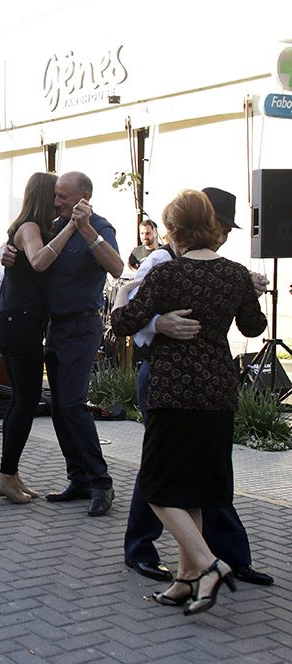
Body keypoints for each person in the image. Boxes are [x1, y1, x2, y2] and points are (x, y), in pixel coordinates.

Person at [111, 189, 266, 615]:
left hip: (173, 389)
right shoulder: (235, 274)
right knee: (195, 489)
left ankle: (208, 565)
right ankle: (185, 580)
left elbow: (124, 322)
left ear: (174, 231)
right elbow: (255, 327)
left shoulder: (167, 275)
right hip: (217, 389)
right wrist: (249, 292)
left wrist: (128, 297)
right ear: (214, 227)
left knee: (159, 487)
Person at [0, 172, 77, 504]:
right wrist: (70, 228)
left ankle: (9, 473)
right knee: (25, 401)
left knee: (20, 400)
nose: (58, 201)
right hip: (20, 320)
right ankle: (6, 475)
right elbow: (39, 261)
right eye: (54, 195)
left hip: (13, 319)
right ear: (43, 196)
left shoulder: (27, 228)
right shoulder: (31, 228)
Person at [44, 171, 123, 516]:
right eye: (56, 195)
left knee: (74, 404)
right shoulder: (52, 225)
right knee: (59, 407)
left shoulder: (102, 227)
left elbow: (117, 267)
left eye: (63, 196)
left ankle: (101, 483)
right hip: (54, 327)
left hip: (83, 325)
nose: (57, 201)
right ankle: (77, 478)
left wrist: (86, 229)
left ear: (83, 198)